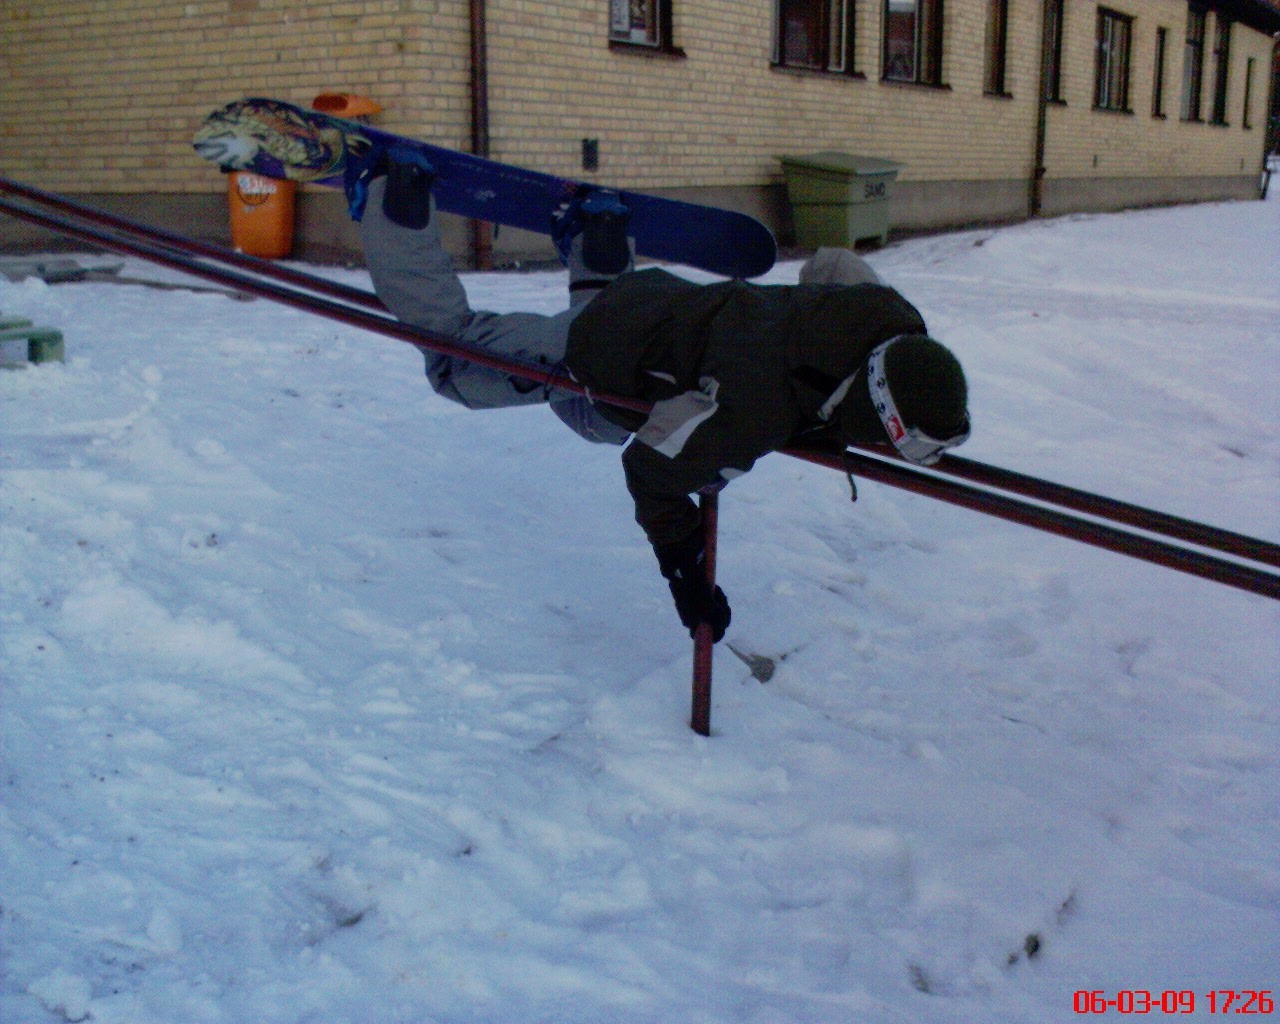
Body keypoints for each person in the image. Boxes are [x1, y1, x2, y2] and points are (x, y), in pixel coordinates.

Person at [348, 149, 970, 645]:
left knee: (614, 389)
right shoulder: (754, 409)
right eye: (899, 440)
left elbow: (831, 266)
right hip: (595, 358)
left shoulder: (886, 315)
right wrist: (686, 574)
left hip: (662, 304)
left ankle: (602, 234)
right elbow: (652, 468)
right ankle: (393, 200)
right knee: (455, 360)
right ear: (871, 408)